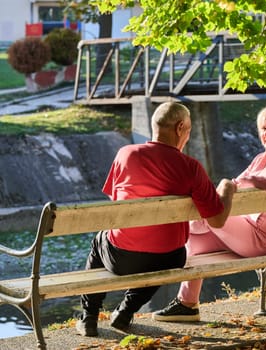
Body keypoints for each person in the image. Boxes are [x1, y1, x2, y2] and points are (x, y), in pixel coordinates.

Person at [151, 102, 266, 322]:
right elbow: (236, 182)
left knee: (209, 215)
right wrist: (240, 182)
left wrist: (249, 181)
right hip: (250, 234)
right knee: (194, 241)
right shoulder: (263, 158)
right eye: (264, 129)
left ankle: (167, 235)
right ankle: (187, 304)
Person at [75, 102, 237, 336]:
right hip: (170, 258)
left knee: (100, 240)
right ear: (181, 127)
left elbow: (116, 202)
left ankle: (89, 317)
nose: (188, 136)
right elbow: (217, 221)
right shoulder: (191, 167)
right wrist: (227, 189)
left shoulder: (126, 154)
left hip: (122, 260)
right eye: (189, 131)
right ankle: (125, 311)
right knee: (161, 253)